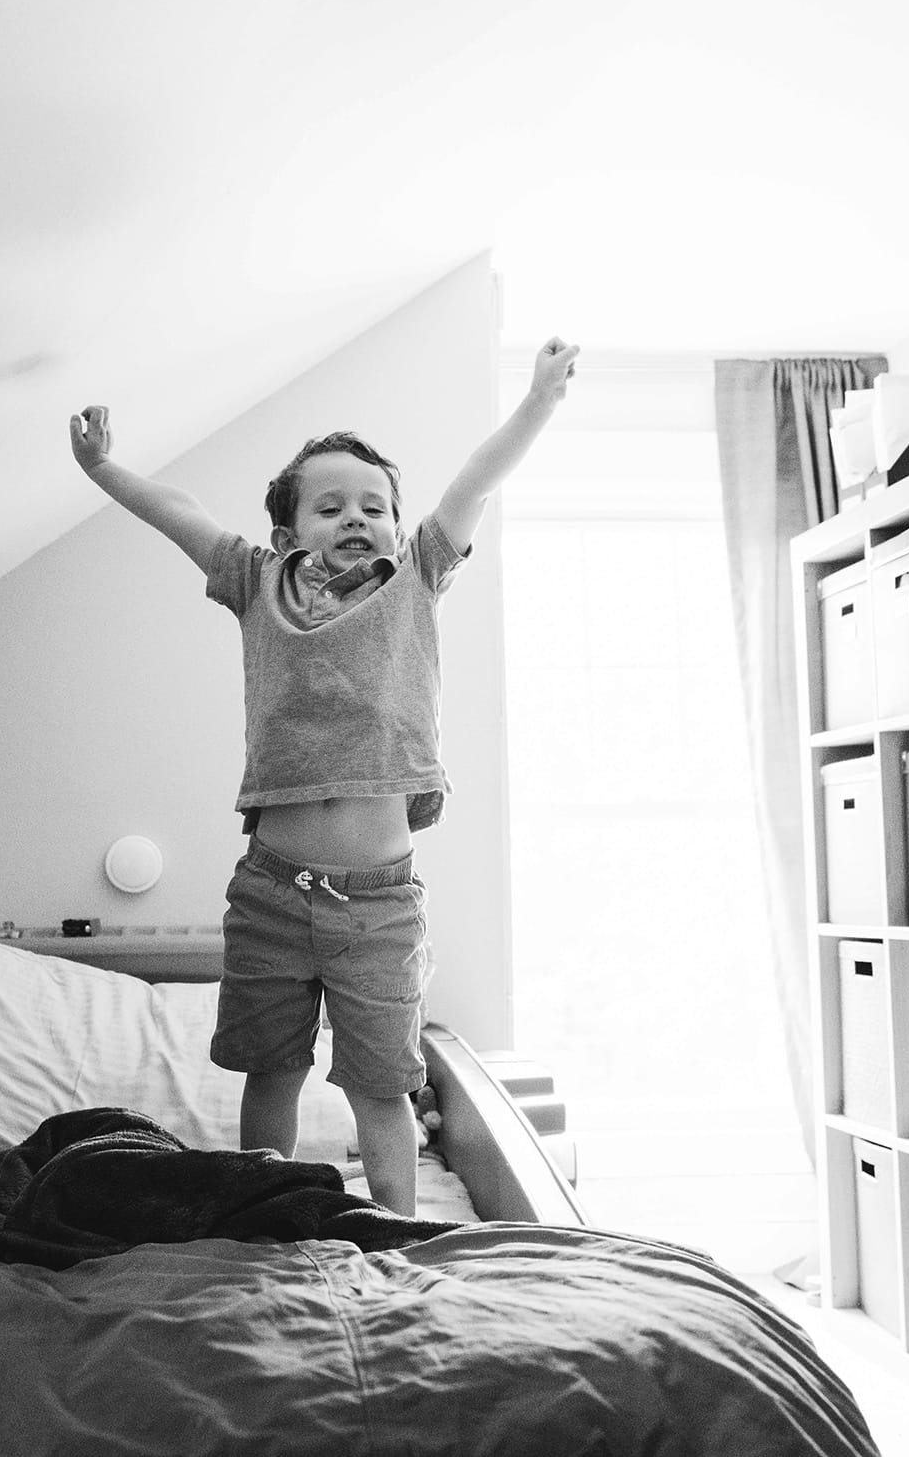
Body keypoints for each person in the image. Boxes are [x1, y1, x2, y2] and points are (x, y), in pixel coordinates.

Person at [68, 337, 580, 1214]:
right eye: (331, 505)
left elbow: (475, 480)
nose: (357, 517)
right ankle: (268, 1216)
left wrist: (537, 401)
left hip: (379, 901)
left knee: (380, 1084)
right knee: (272, 1068)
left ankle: (397, 1234)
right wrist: (105, 467)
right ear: (285, 532)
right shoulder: (256, 582)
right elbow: (179, 512)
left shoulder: (416, 574)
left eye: (374, 505)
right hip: (271, 890)